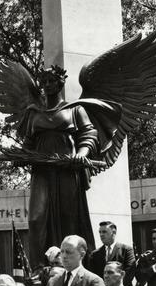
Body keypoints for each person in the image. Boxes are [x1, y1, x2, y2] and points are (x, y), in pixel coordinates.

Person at [20, 67, 99, 267]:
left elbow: (89, 134)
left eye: (51, 81)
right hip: (42, 171)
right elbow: (28, 143)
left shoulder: (74, 109)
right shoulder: (33, 113)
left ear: (60, 83)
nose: (46, 85)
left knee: (69, 218)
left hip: (67, 171)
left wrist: (81, 155)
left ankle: (71, 264)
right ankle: (39, 266)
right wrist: (21, 156)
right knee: (37, 218)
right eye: (43, 81)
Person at [87, 221, 136, 286]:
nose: (101, 234)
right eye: (100, 232)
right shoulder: (95, 254)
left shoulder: (126, 250)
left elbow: (129, 272)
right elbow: (93, 276)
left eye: (104, 232)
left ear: (114, 232)